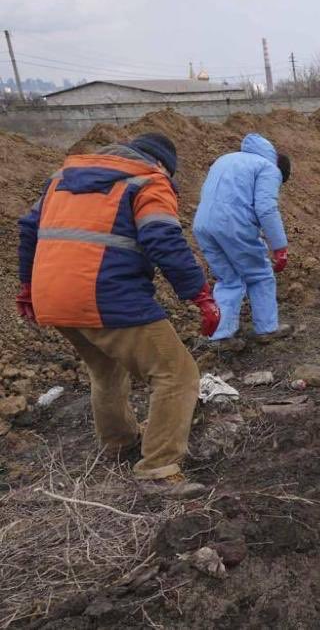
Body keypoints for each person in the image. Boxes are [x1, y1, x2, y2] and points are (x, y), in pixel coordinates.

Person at [16, 133, 220, 484]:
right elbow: (163, 239)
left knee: (106, 369)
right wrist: (199, 294)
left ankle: (118, 443)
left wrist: (27, 285)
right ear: (161, 165)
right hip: (104, 293)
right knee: (177, 373)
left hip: (51, 294)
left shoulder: (61, 180)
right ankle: (159, 468)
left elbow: (28, 229)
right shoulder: (148, 181)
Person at [193, 134, 292, 349]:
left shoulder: (225, 159)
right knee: (260, 275)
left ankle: (220, 335)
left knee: (228, 279)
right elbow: (266, 208)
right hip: (233, 224)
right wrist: (279, 247)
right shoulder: (268, 168)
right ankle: (267, 328)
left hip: (203, 224)